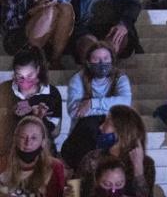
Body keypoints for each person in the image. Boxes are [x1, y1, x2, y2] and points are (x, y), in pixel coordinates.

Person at [61, 41, 132, 170]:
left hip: (112, 129)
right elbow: (74, 111)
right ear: (88, 62)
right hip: (83, 134)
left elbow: (125, 102)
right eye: (96, 59)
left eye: (105, 58)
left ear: (112, 60)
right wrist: (108, 108)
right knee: (91, 124)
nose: (101, 63)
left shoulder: (120, 78)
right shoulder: (78, 79)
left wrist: (92, 103)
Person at [77, 105, 154, 197]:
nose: (101, 127)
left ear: (121, 130)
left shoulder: (146, 163)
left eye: (107, 123)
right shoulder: (92, 158)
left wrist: (138, 171)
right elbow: (78, 191)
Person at [0, 47, 62, 158]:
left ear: (37, 70)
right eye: (20, 76)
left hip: (39, 148)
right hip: (8, 147)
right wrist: (11, 112)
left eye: (29, 76)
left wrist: (37, 117)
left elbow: (54, 130)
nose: (25, 81)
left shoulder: (51, 93)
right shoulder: (5, 89)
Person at [0, 116, 65, 197]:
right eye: (23, 137)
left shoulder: (55, 166)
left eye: (34, 138)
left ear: (43, 142)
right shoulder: (2, 163)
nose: (28, 142)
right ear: (15, 139)